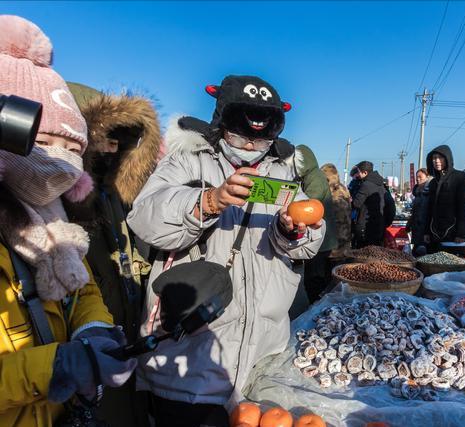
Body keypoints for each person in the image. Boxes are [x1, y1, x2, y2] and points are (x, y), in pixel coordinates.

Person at [127, 75, 325, 426]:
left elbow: (309, 237)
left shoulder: (282, 173)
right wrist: (208, 201)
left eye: (261, 137)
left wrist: (289, 231)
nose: (250, 146)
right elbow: (144, 218)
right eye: (241, 135)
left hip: (262, 357)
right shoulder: (188, 160)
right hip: (188, 360)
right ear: (221, 125)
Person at [0, 15, 136, 427]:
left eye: (70, 147)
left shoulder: (55, 223)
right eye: (40, 142)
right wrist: (51, 367)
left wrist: (93, 327)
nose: (58, 163)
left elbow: (81, 287)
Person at [64, 82, 163, 427]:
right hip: (79, 358)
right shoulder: (55, 199)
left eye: (118, 142)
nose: (110, 149)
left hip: (122, 344)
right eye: (101, 138)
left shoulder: (115, 195)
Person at [292, 145, 337, 304]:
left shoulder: (315, 177)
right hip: (322, 236)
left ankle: (317, 309)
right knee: (318, 277)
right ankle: (320, 306)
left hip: (321, 238)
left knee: (314, 279)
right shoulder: (311, 176)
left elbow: (308, 204)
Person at [424, 145, 465, 255]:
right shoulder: (433, 183)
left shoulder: (460, 177)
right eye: (434, 158)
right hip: (434, 233)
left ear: (447, 158)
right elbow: (429, 209)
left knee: (452, 267)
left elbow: (464, 208)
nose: (436, 161)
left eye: (440, 158)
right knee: (433, 267)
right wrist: (426, 232)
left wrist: (461, 233)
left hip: (453, 233)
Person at [351, 161, 387, 248]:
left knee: (363, 255)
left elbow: (356, 204)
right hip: (379, 225)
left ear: (365, 172)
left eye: (359, 172)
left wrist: (350, 200)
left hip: (366, 226)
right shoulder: (381, 184)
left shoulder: (366, 185)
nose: (358, 174)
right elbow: (389, 205)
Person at [321, 163, 352, 258]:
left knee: (330, 269)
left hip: (333, 242)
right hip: (345, 238)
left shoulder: (330, 192)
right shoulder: (343, 189)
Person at [405, 168, 431, 255]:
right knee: (416, 252)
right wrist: (409, 223)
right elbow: (415, 211)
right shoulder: (417, 193)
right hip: (416, 228)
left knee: (423, 253)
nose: (418, 179)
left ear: (427, 177)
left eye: (420, 177)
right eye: (417, 177)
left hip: (425, 229)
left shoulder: (430, 193)